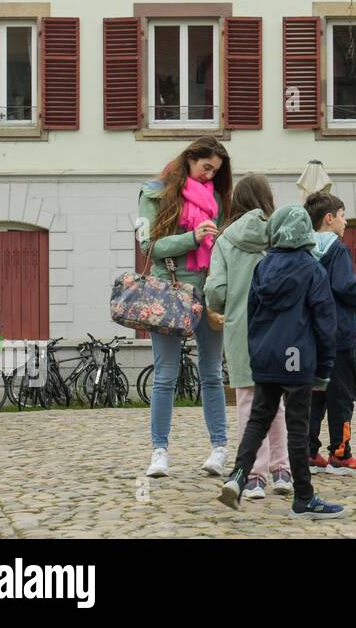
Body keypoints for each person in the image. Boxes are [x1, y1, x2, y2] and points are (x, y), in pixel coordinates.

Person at [218, 205, 342, 519]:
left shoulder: (263, 267)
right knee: (297, 427)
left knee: (258, 420)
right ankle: (304, 498)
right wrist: (324, 369)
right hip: (298, 358)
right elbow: (325, 323)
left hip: (265, 357)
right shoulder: (312, 269)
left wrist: (257, 353)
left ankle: (238, 475)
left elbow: (253, 316)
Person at [137, 136, 231, 479]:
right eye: (206, 167)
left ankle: (219, 449)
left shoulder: (217, 198)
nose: (209, 175)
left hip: (208, 290)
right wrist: (191, 238)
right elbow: (148, 245)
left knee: (211, 373)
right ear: (190, 159)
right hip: (170, 293)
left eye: (215, 171)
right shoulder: (155, 193)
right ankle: (159, 451)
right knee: (165, 376)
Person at [207, 173, 291, 500]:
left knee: (247, 403)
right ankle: (282, 471)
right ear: (266, 199)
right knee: (276, 401)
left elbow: (216, 290)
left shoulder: (225, 240)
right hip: (278, 327)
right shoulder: (280, 234)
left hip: (241, 328)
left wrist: (219, 304)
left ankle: (254, 476)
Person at [304, 191, 356, 476]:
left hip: (313, 334)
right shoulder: (338, 250)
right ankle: (340, 453)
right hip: (340, 334)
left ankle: (308, 450)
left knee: (315, 394)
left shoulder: (305, 249)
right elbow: (344, 285)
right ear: (329, 219)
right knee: (342, 394)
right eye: (343, 216)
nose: (345, 222)